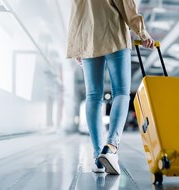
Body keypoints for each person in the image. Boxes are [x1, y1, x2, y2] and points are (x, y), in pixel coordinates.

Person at [66, 0, 154, 175]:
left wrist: (77, 46)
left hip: (88, 39)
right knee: (121, 92)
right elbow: (127, 6)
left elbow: (77, 12)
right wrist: (143, 34)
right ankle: (111, 147)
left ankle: (98, 156)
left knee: (93, 96)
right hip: (115, 35)